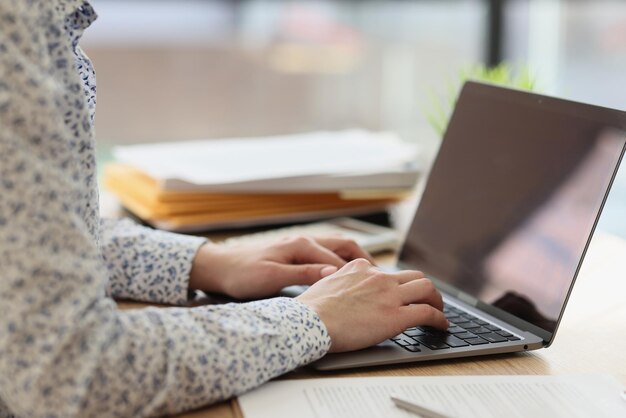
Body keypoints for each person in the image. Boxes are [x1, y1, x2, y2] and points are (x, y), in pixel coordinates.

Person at [0, 1, 448, 417]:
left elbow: (28, 234)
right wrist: (310, 320)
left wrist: (205, 262)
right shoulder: (15, 33)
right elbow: (67, 370)